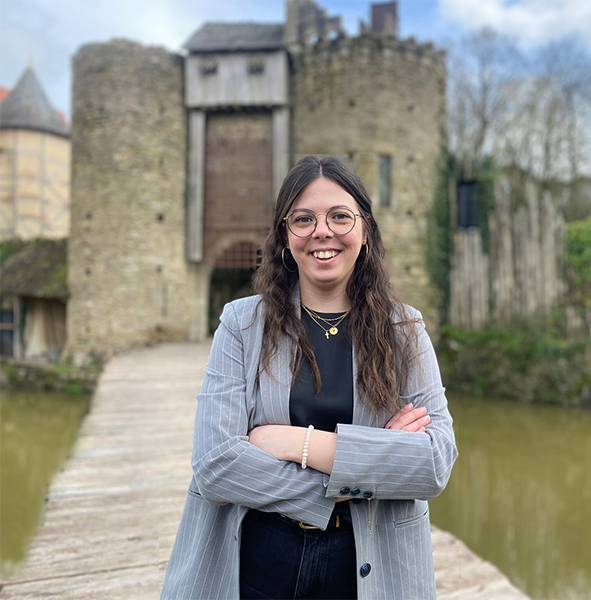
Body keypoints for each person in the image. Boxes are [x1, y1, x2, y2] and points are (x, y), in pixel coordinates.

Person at [160, 155, 458, 600]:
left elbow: (433, 464)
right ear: (285, 235)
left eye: (340, 216)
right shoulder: (241, 325)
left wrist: (294, 443)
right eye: (303, 219)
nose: (322, 231)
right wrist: (367, 469)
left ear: (365, 230)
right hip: (257, 556)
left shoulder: (404, 330)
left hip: (371, 564)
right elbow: (216, 465)